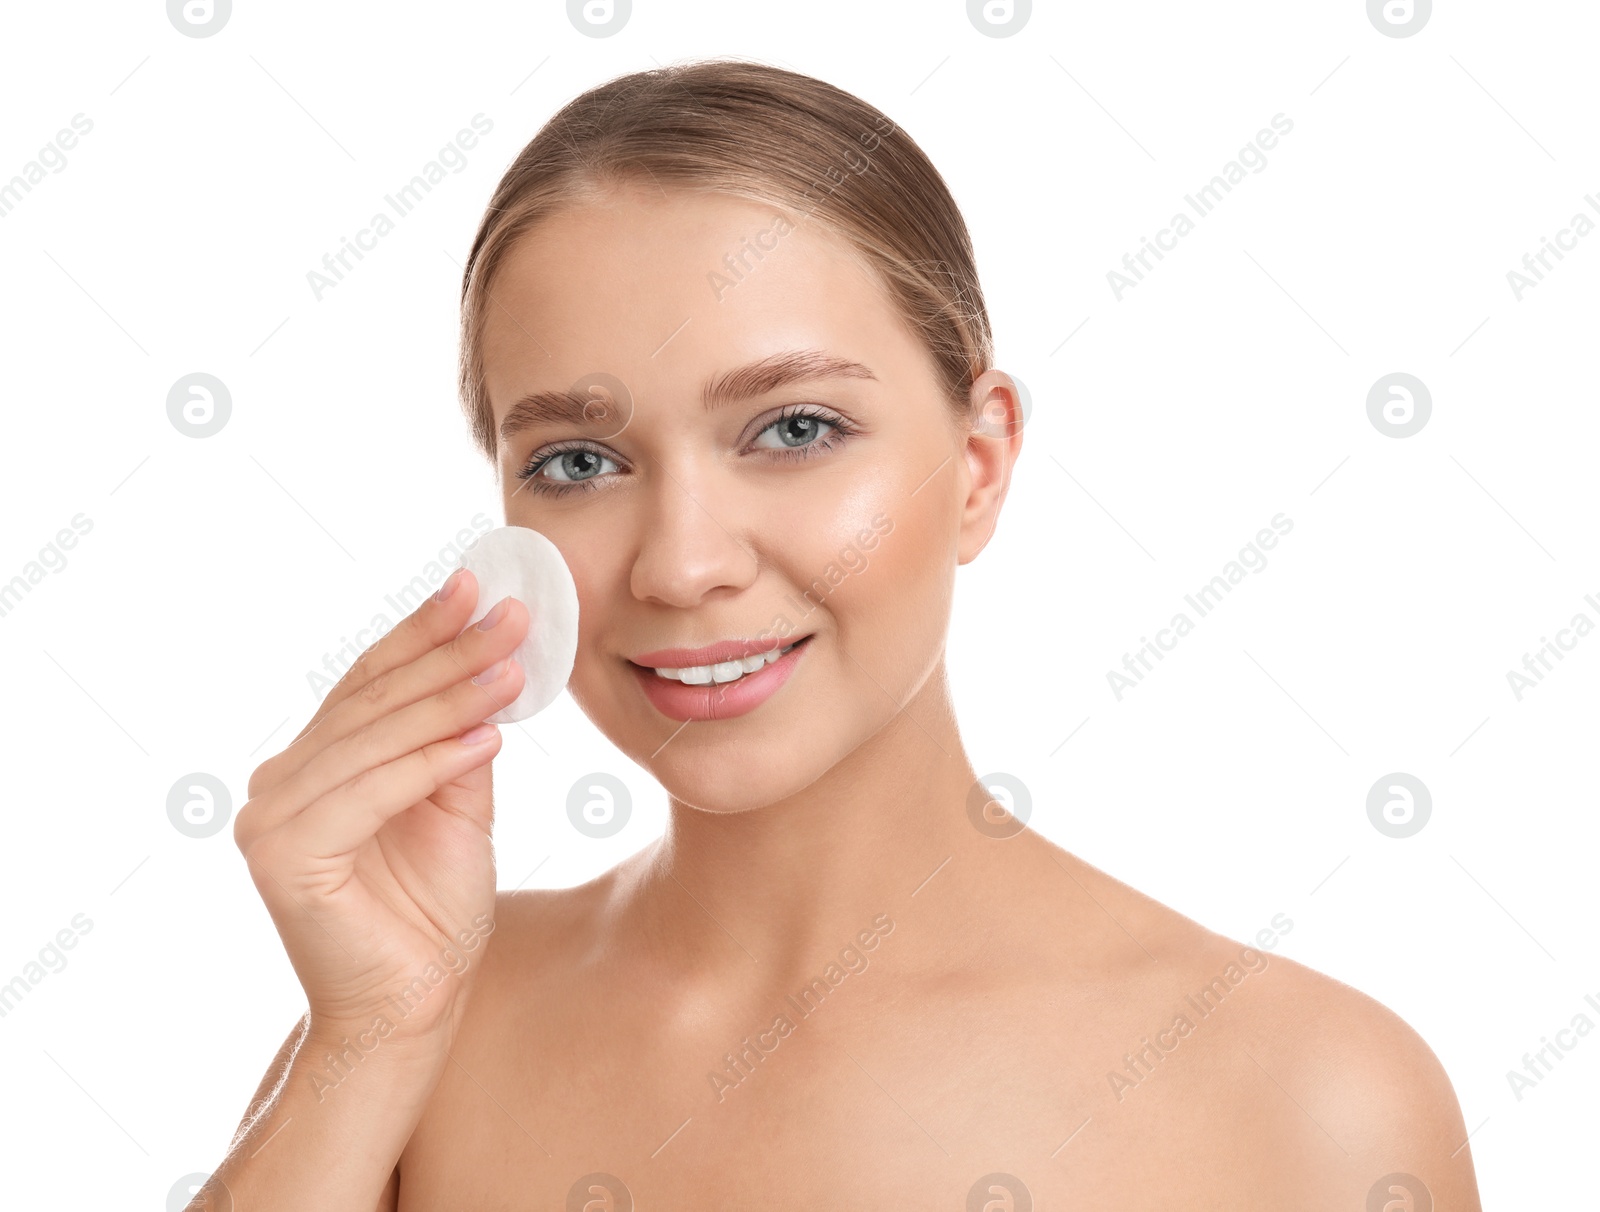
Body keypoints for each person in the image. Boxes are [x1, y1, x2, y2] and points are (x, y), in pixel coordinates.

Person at [202, 58, 1483, 1209]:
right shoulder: (425, 1025)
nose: (684, 562)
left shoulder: (1307, 1101)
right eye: (581, 459)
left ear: (978, 465)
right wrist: (370, 1037)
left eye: (796, 429)